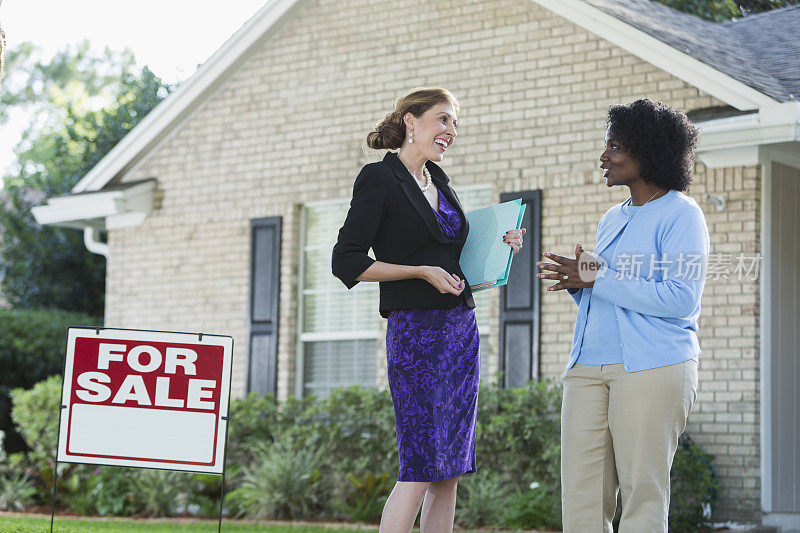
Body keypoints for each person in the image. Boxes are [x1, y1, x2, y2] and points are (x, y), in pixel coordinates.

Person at [332, 87, 524, 533]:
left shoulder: (439, 181)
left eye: (455, 123)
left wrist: (500, 246)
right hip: (417, 335)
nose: (451, 131)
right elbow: (347, 261)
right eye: (443, 120)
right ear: (411, 121)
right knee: (420, 465)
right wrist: (420, 272)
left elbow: (453, 260)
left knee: (450, 468)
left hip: (460, 332)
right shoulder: (379, 179)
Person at [537, 99, 709, 532]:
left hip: (652, 366)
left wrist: (596, 277)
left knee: (642, 496)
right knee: (582, 497)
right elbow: (609, 289)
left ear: (648, 152)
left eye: (615, 146)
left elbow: (679, 298)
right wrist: (580, 285)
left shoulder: (682, 214)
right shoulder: (613, 218)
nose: (604, 156)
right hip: (587, 367)